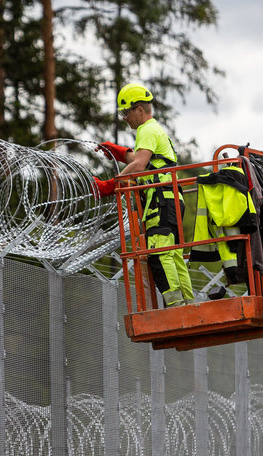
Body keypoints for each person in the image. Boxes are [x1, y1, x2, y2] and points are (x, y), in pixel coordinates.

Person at [93, 82, 194, 307]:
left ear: (139, 109)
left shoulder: (146, 129)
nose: (125, 118)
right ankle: (188, 303)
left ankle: (176, 307)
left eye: (126, 112)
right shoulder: (155, 129)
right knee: (172, 254)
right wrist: (119, 152)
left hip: (160, 201)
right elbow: (147, 163)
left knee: (159, 253)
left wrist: (110, 186)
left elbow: (139, 166)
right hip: (170, 199)